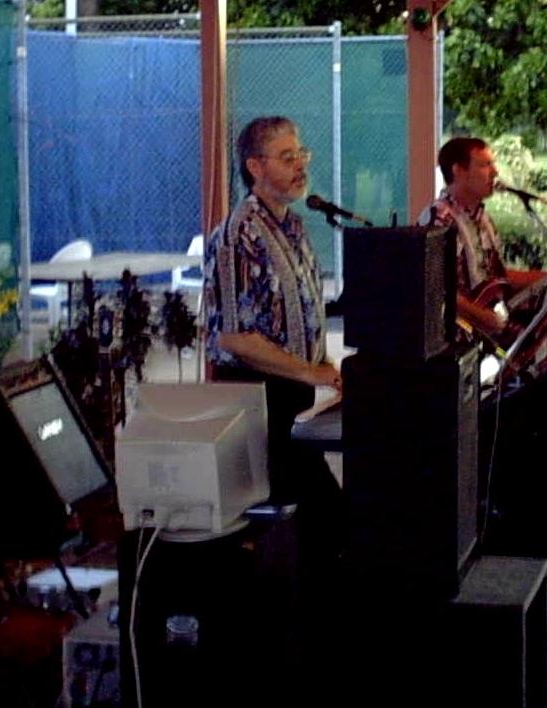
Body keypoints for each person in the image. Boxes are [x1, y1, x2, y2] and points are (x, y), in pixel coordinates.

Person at [204, 116, 342, 594]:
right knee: (329, 517)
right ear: (255, 167)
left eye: (302, 154)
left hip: (293, 395)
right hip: (257, 404)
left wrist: (322, 368)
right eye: (287, 157)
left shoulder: (293, 225)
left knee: (324, 521)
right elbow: (234, 338)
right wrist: (312, 371)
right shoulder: (238, 234)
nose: (300, 165)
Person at [419, 136, 547, 361]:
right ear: (458, 171)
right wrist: (481, 317)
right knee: (532, 350)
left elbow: (498, 277)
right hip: (459, 335)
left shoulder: (484, 220)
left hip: (490, 322)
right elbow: (432, 289)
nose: (495, 172)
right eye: (485, 165)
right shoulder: (440, 220)